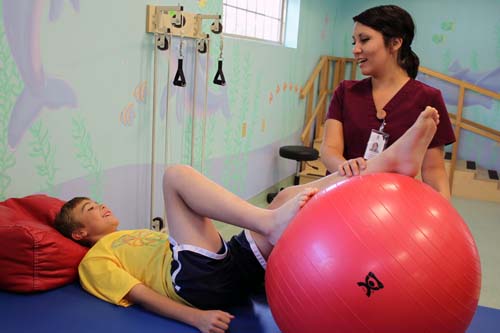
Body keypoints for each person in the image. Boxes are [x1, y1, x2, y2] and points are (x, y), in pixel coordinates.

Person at [54, 107, 439, 333]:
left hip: (229, 269)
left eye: (97, 201)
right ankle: (272, 222)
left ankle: (384, 165)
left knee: (290, 197)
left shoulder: (133, 232)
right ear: (79, 232)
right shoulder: (96, 259)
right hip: (195, 288)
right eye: (90, 209)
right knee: (175, 174)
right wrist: (195, 318)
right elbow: (138, 294)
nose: (102, 206)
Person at [319, 5, 455, 199]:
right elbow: (329, 150)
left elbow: (433, 170)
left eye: (364, 40)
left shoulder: (428, 99)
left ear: (395, 43)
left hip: (390, 206)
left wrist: (444, 212)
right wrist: (346, 169)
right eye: (354, 42)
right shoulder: (345, 92)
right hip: (341, 194)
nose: (355, 49)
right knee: (286, 199)